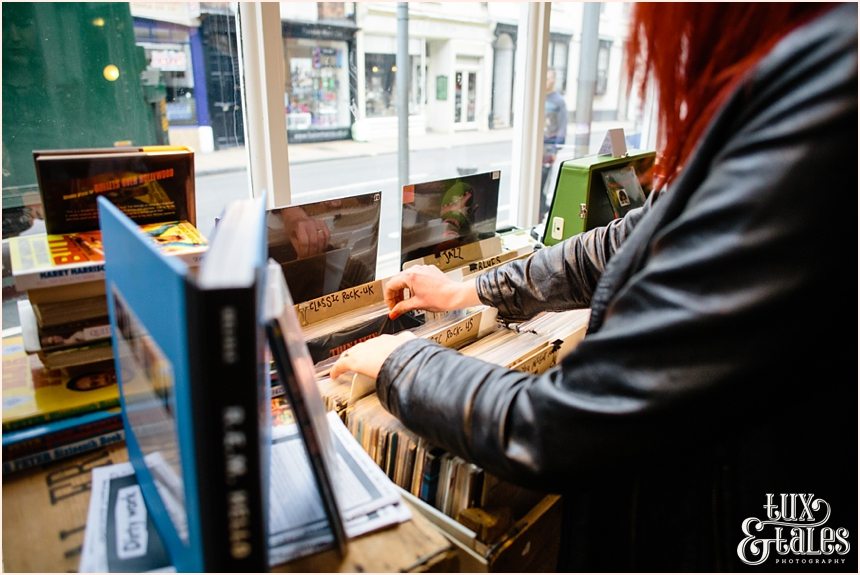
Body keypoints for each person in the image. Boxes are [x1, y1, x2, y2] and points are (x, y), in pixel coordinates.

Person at [332, 4, 856, 571]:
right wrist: (469, 291)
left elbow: (562, 426)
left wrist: (400, 361)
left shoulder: (829, 94)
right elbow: (623, 241)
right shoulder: (792, 76)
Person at [540, 68, 569, 222]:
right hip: (537, 147)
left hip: (548, 147)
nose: (548, 81)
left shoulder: (558, 101)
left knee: (544, 181)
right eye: (546, 78)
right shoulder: (538, 98)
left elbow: (563, 126)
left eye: (550, 78)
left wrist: (556, 148)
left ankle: (540, 212)